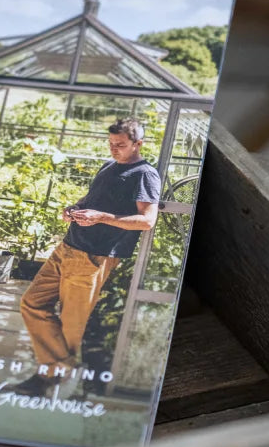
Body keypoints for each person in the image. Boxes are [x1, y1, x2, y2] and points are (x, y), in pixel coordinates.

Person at [15, 117, 161, 396]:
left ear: (138, 144)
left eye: (120, 145)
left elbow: (147, 221)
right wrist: (74, 209)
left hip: (95, 256)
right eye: (110, 144)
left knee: (72, 323)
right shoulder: (109, 166)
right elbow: (91, 200)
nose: (113, 149)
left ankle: (50, 378)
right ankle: (64, 367)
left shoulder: (145, 174)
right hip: (69, 246)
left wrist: (102, 217)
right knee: (31, 303)